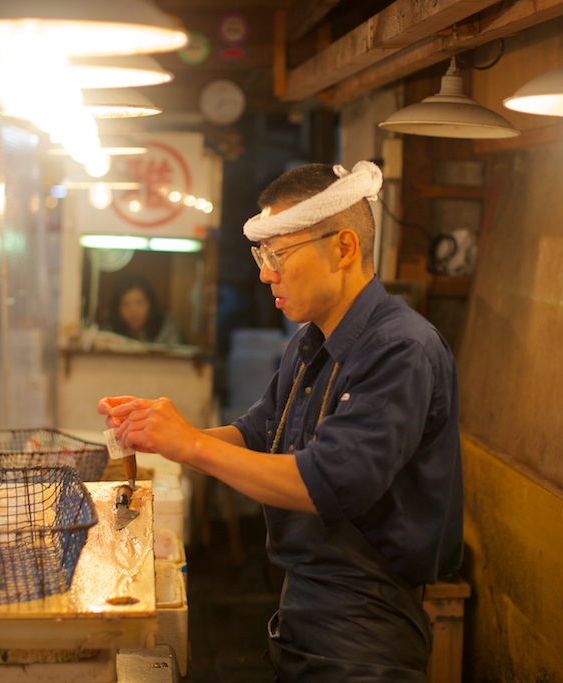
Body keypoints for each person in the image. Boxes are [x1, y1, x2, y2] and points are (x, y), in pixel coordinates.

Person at [99, 160, 464, 681]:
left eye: (279, 254)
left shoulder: (399, 348)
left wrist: (191, 446)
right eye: (261, 253)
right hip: (305, 602)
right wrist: (158, 431)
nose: (266, 272)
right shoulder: (310, 340)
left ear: (343, 247)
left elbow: (327, 483)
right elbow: (257, 435)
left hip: (367, 624)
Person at [104, 274, 185, 345]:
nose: (133, 310)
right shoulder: (109, 330)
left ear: (150, 304)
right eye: (126, 304)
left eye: (139, 303)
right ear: (117, 309)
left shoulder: (166, 328)